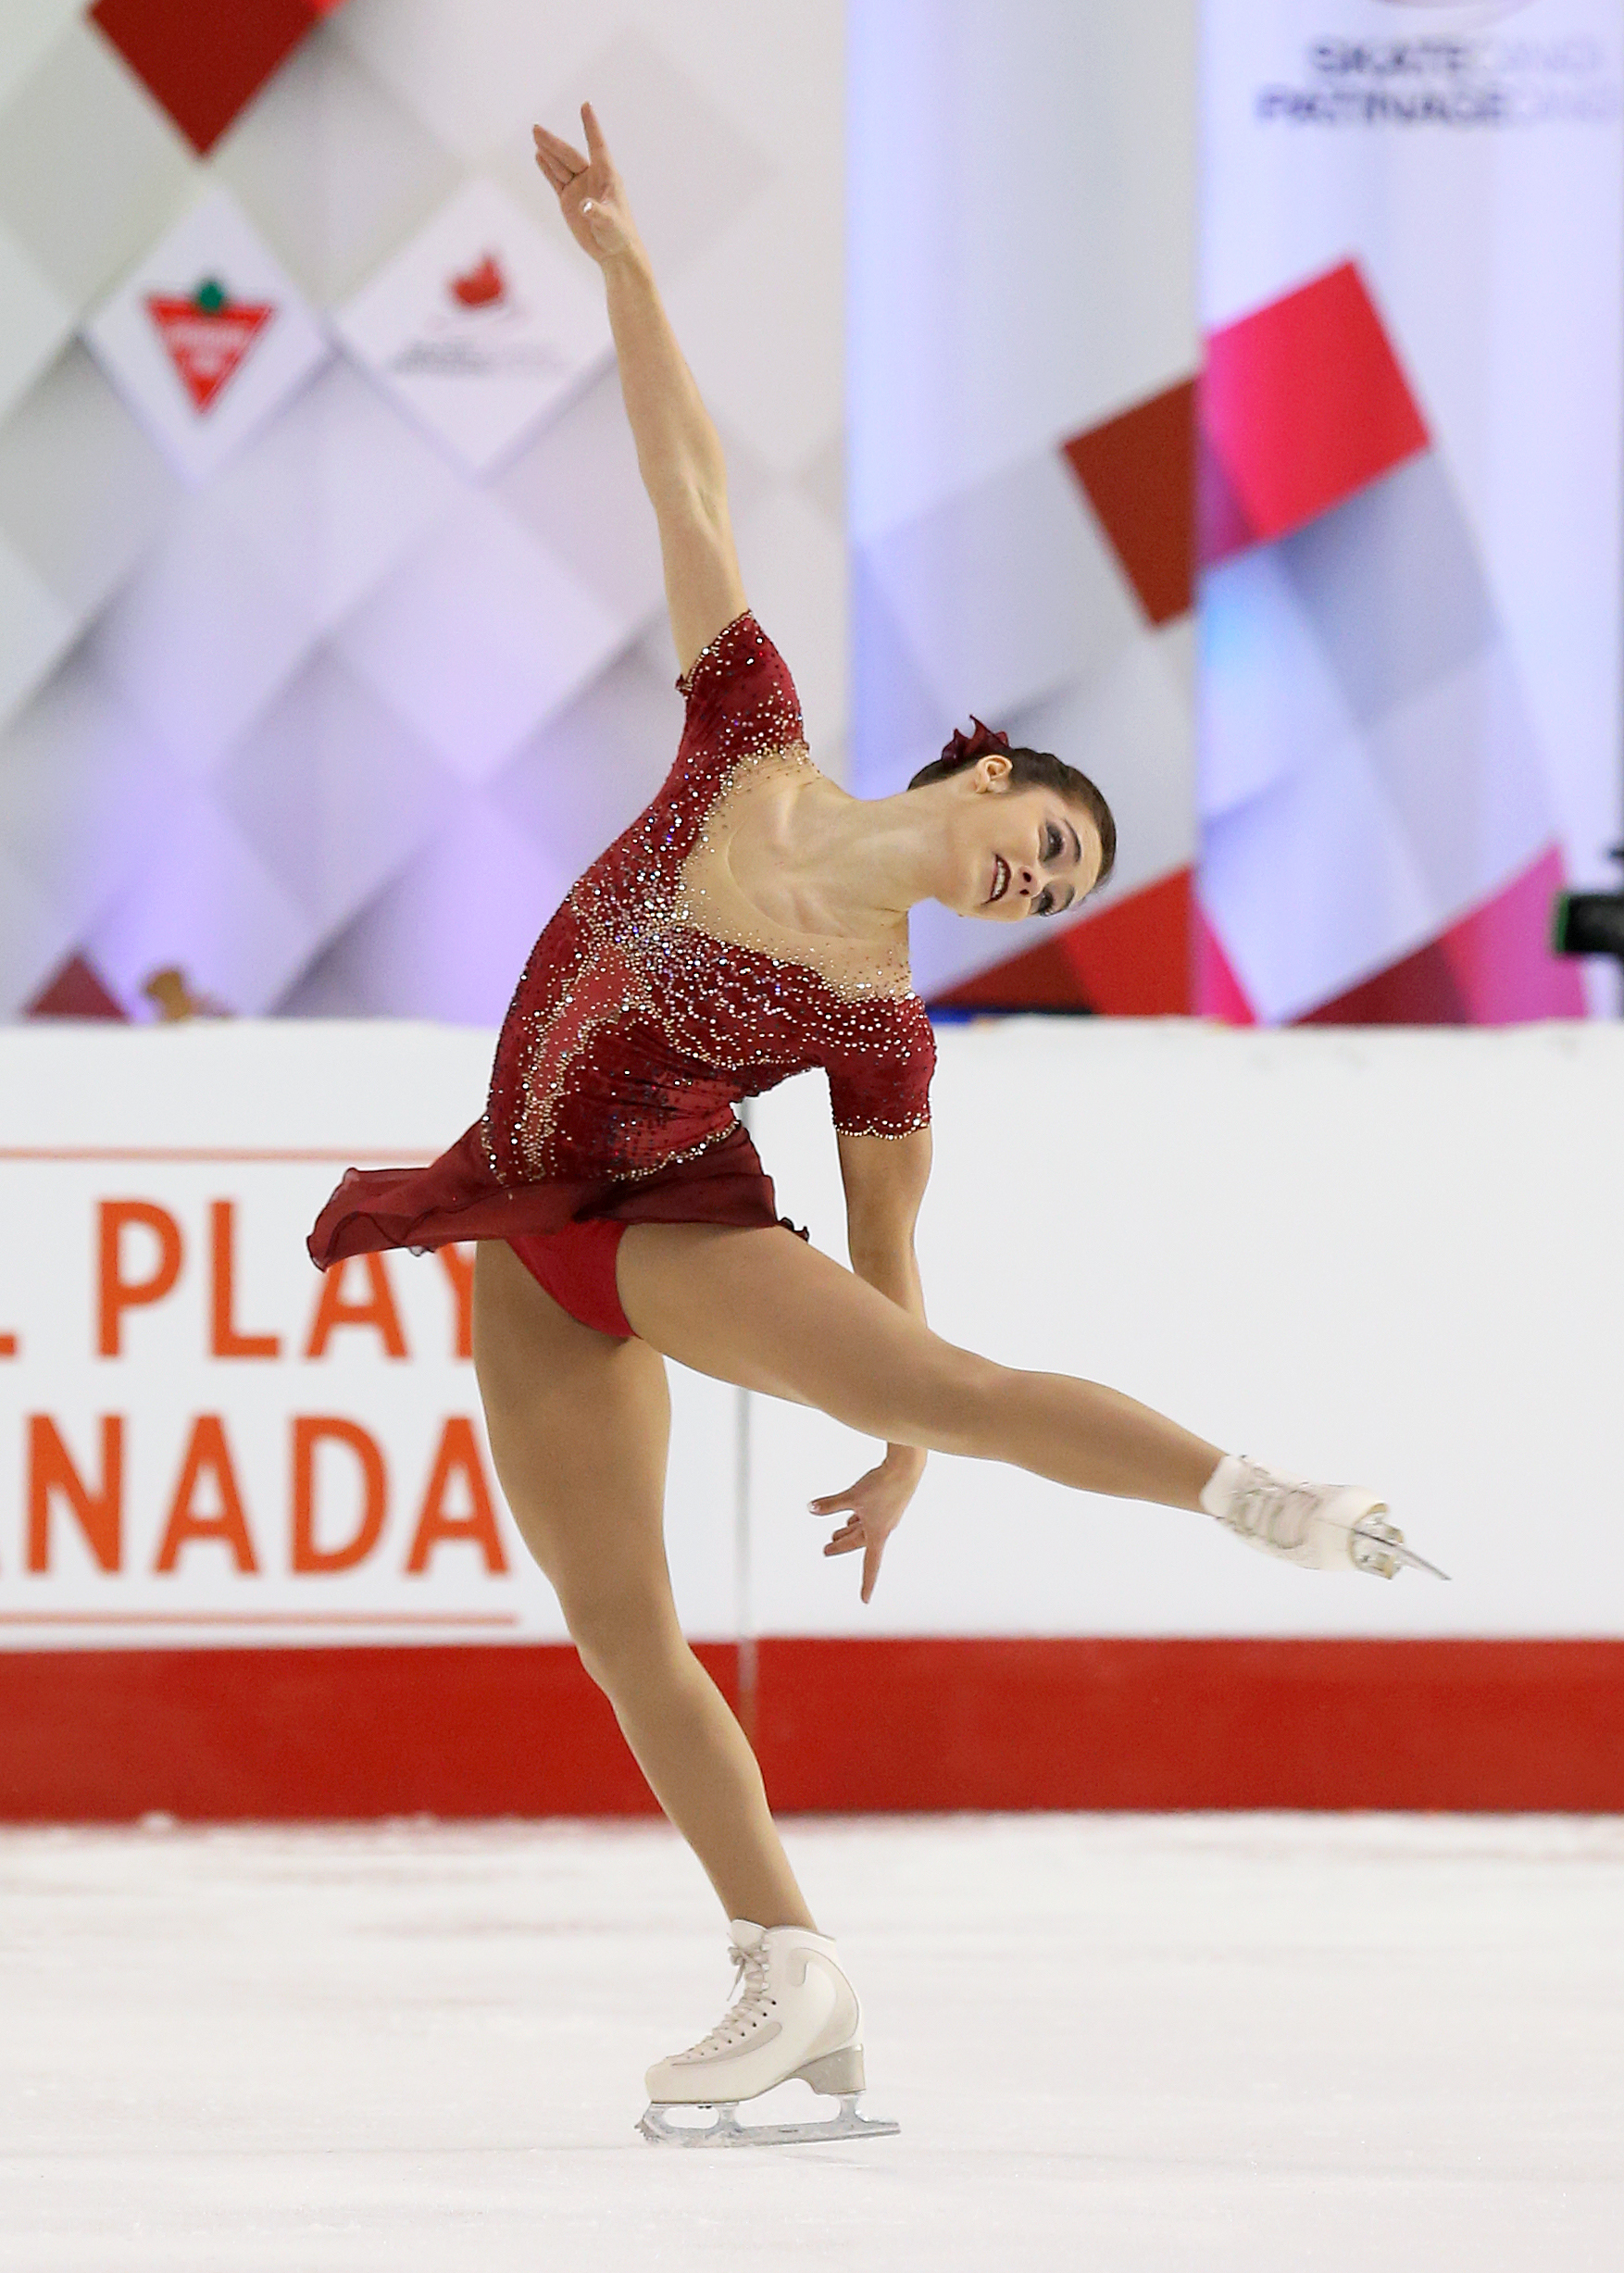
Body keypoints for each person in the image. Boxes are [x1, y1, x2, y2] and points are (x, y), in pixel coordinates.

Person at [308, 104, 1443, 2148]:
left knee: (957, 1383)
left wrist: (904, 1438)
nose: (1042, 875)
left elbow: (907, 1293)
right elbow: (683, 473)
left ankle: (1251, 1492)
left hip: (667, 1216)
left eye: (1065, 884)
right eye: (1048, 838)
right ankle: (787, 1967)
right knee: (619, 1624)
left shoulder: (881, 1023)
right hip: (521, 1220)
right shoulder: (747, 721)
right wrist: (629, 266)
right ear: (988, 766)